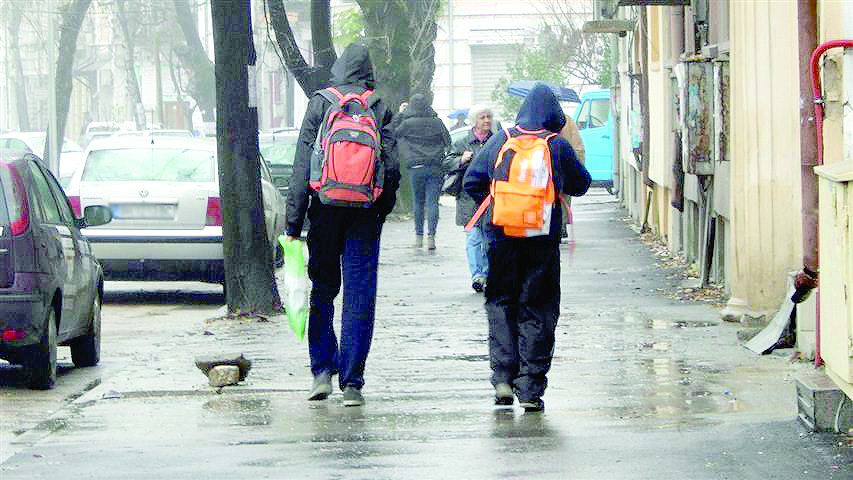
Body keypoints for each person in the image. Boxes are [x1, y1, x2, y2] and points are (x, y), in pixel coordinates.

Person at [462, 83, 591, 412]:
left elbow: (472, 181)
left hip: (501, 237)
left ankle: (503, 378)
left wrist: (497, 209)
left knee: (502, 303)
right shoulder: (555, 145)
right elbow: (582, 183)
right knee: (538, 308)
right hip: (541, 241)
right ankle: (530, 389)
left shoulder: (500, 140)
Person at [284, 43, 400, 407]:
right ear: (369, 71)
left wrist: (293, 219)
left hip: (324, 209)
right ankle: (352, 382)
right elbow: (392, 167)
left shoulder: (320, 102)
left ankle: (321, 371)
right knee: (359, 295)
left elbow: (303, 163)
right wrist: (382, 207)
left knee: (323, 289)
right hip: (365, 212)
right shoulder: (378, 106)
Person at [445, 104, 494, 292]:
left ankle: (489, 275)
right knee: (474, 238)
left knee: (490, 239)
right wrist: (461, 160)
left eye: (489, 117)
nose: (487, 121)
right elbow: (446, 162)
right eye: (482, 117)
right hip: (468, 199)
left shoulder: (497, 141)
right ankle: (477, 275)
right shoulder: (462, 142)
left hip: (492, 198)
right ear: (474, 121)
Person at [394, 94, 451, 250]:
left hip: (415, 167)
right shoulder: (437, 122)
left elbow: (393, 133)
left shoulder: (407, 123)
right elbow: (448, 141)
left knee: (418, 203)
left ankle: (418, 237)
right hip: (435, 167)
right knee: (432, 203)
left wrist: (400, 113)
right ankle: (431, 237)